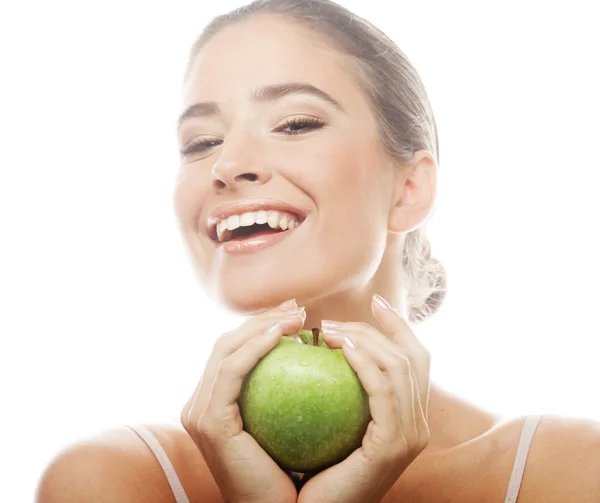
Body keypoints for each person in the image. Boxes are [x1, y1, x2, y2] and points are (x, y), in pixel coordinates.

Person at [35, 0, 600, 502]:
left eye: (296, 123)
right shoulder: (114, 482)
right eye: (201, 142)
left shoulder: (568, 472)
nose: (227, 166)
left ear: (409, 189)